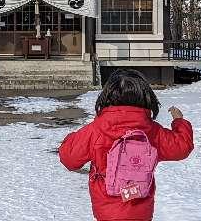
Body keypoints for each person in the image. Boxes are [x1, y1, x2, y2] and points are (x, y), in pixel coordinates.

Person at [59, 69, 194, 221]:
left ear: (106, 97)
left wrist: (73, 137)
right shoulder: (152, 131)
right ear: (146, 97)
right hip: (141, 210)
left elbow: (69, 158)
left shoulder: (96, 130)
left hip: (106, 210)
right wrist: (179, 122)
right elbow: (181, 147)